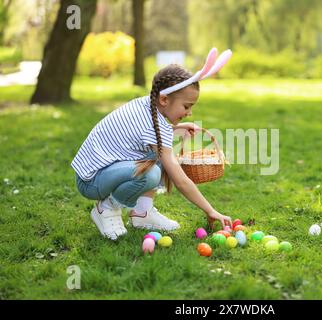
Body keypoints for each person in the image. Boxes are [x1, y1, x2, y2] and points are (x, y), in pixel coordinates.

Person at [72, 63, 232, 240]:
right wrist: (210, 210)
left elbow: (142, 134)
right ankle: (107, 208)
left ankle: (142, 213)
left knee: (156, 159)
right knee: (151, 173)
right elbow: (180, 180)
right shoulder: (153, 125)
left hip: (100, 173)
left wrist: (173, 128)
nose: (189, 113)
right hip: (92, 182)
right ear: (164, 100)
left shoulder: (146, 105)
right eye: (186, 106)